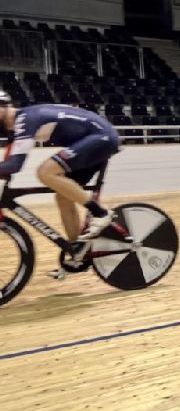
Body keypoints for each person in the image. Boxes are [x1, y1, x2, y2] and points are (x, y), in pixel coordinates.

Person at [0, 92, 120, 278]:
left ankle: (101, 214)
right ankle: (78, 252)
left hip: (101, 136)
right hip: (92, 139)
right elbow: (8, 165)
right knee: (63, 197)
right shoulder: (13, 128)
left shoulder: (25, 119)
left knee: (45, 172)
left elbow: (15, 164)